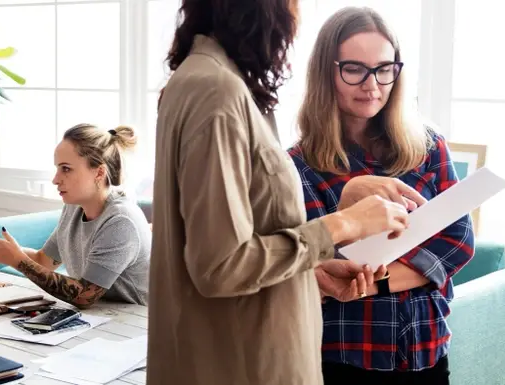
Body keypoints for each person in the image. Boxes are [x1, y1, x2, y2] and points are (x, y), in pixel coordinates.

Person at [146, 1, 415, 384]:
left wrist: (314, 269)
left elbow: (241, 242)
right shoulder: (216, 93)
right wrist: (345, 223)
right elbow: (220, 267)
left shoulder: (209, 81)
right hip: (246, 362)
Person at [289, 7, 474, 384]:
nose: (372, 85)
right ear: (327, 72)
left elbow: (458, 243)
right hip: (344, 356)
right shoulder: (296, 165)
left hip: (426, 349)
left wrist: (373, 283)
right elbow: (315, 269)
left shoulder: (428, 146)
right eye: (354, 69)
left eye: (384, 69)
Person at [0, 124, 151, 308]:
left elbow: (83, 295)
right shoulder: (74, 208)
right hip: (98, 320)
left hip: (133, 327)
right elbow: (43, 260)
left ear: (99, 172)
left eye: (66, 169)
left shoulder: (120, 222)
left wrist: (18, 261)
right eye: (57, 169)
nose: (55, 179)